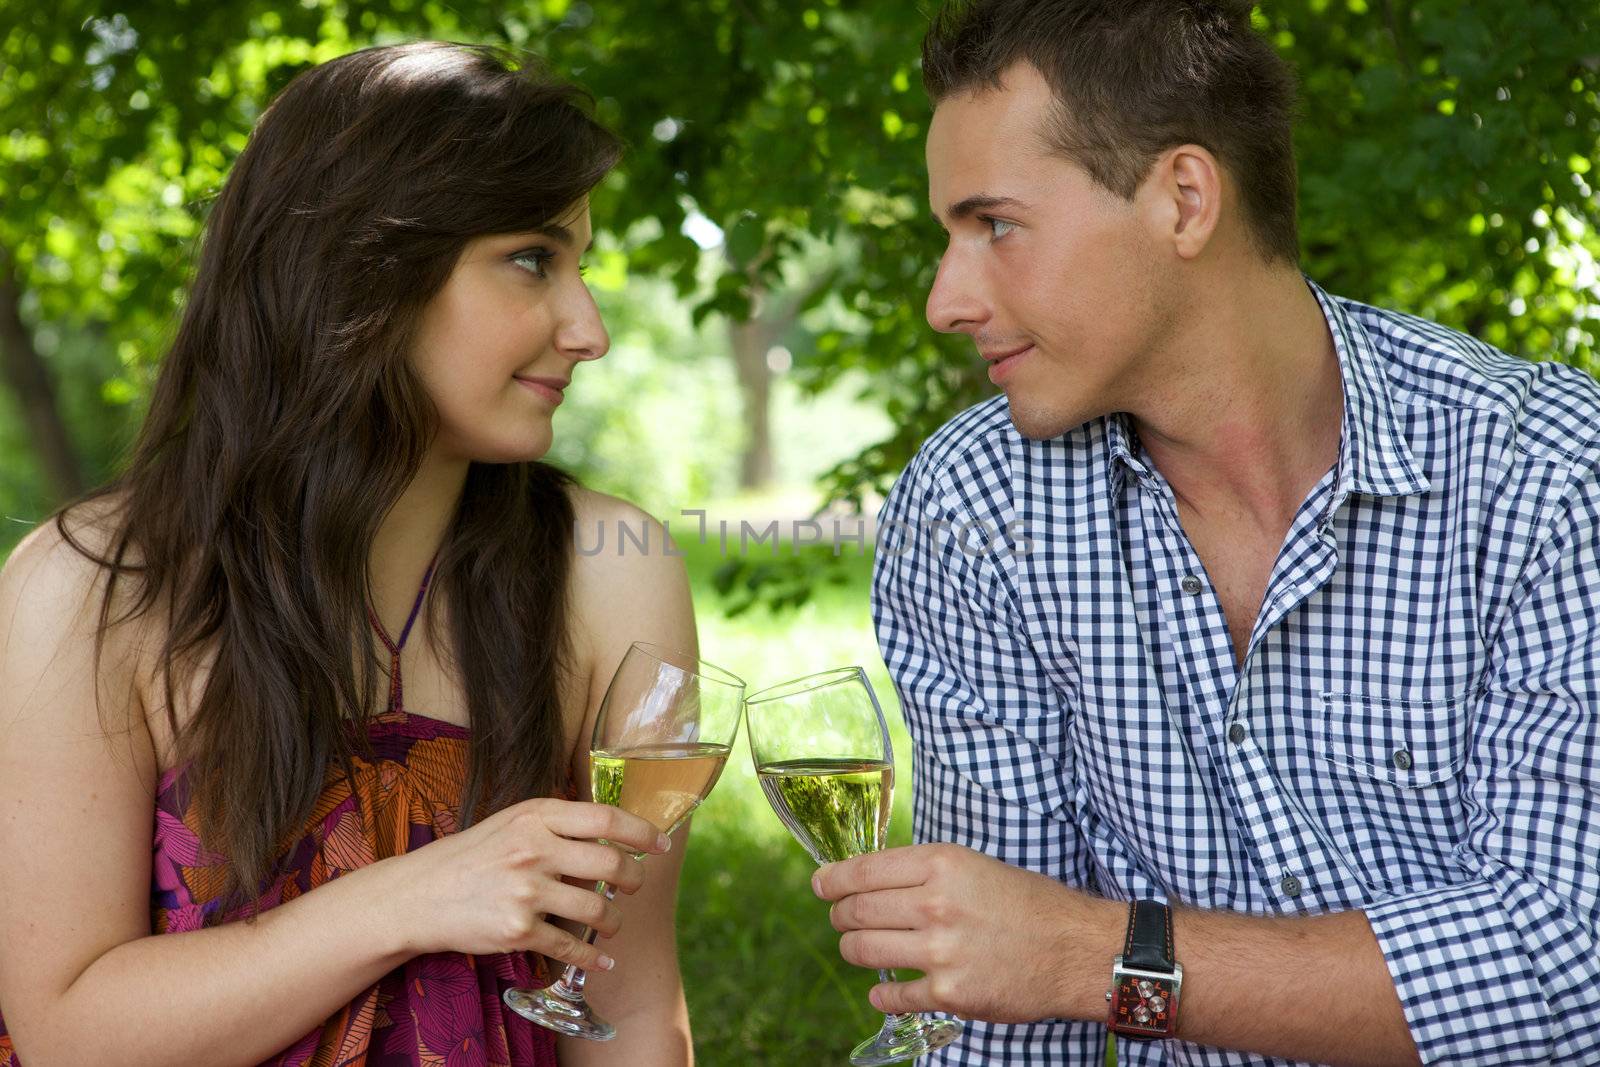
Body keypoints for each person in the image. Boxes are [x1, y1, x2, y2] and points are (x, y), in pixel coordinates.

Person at [812, 1, 1600, 1064]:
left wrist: (1097, 956)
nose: (944, 299)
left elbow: (1567, 965)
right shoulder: (974, 506)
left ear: (1183, 199)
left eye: (995, 225)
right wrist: (1032, 962)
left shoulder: (1546, 479)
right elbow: (992, 1020)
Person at [0, 42, 698, 1066]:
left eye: (579, 265)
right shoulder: (93, 589)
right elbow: (70, 1032)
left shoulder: (614, 573)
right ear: (369, 269)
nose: (587, 328)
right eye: (533, 259)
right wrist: (411, 897)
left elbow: (631, 1010)